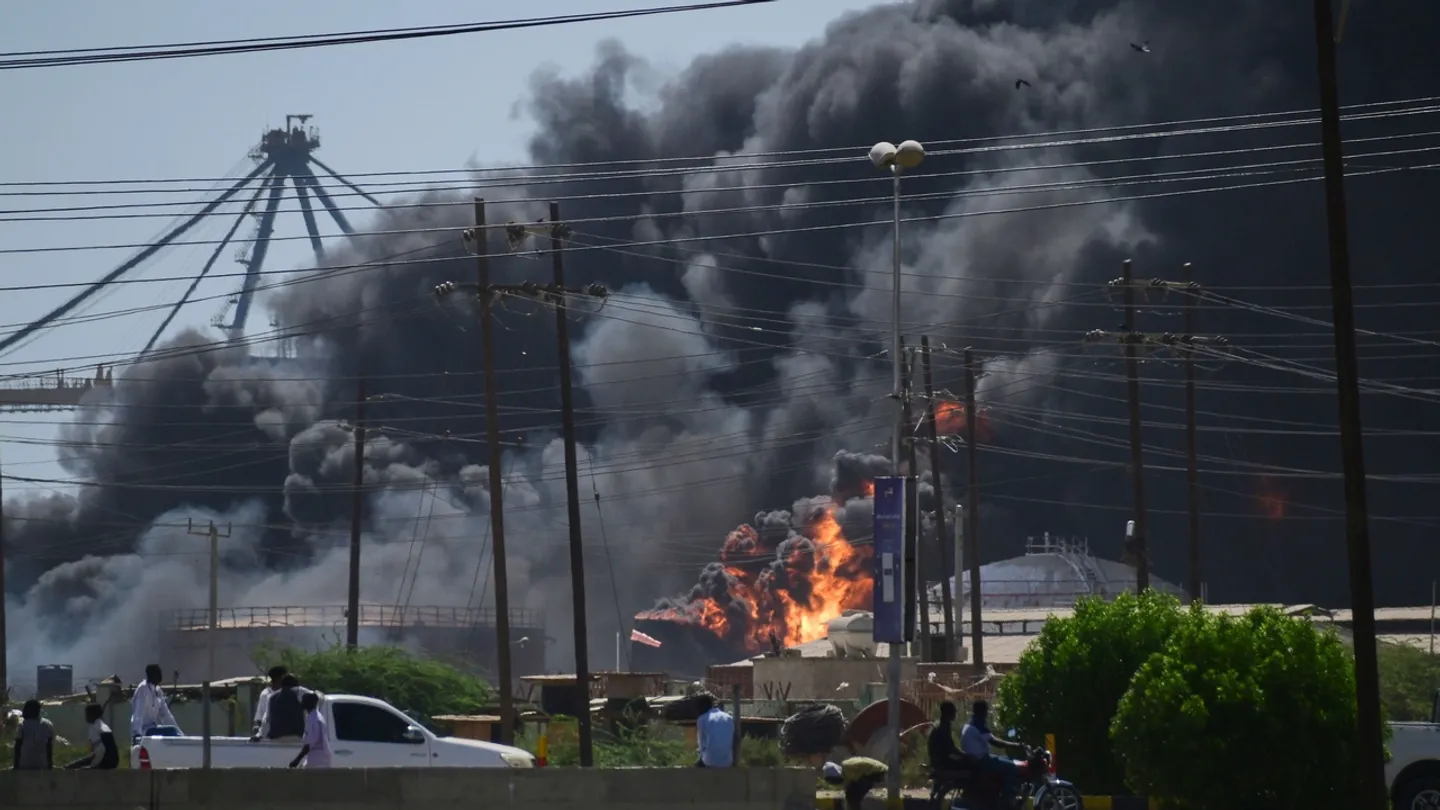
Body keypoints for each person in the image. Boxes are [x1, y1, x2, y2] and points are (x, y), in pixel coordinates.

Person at [959, 700, 1024, 808]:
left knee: (1005, 758)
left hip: (975, 758)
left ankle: (997, 793)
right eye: (985, 710)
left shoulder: (971, 722)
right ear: (981, 711)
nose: (986, 713)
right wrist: (1016, 745)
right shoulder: (978, 724)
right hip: (981, 760)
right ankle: (1006, 801)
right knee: (1012, 767)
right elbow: (996, 743)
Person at [130, 664, 181, 740]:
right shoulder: (143, 689)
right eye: (157, 673)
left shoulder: (158, 691)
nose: (160, 676)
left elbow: (166, 715)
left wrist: (179, 732)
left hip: (153, 727)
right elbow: (138, 713)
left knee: (172, 730)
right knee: (170, 732)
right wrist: (136, 733)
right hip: (144, 730)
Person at [821, 756, 888, 810]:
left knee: (853, 796)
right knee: (851, 795)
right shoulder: (845, 772)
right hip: (870, 773)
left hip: (876, 772)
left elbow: (864, 764)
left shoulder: (847, 766)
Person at [67, 704, 119, 770]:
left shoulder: (94, 728)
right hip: (113, 762)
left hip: (104, 762)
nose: (86, 717)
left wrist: (94, 765)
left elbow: (101, 750)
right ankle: (67, 767)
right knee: (79, 763)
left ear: (92, 714)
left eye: (87, 714)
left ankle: (66, 768)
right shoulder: (104, 726)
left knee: (77, 768)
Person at [257, 674, 306, 741]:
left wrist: (260, 735)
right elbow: (318, 699)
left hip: (277, 737)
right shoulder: (300, 692)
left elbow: (266, 720)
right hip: (297, 736)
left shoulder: (272, 697)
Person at [289, 692, 330, 769]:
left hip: (318, 759)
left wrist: (297, 760)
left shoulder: (313, 718)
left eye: (304, 701)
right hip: (317, 757)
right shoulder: (314, 716)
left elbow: (310, 743)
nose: (302, 703)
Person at [693, 693, 735, 767]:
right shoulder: (729, 718)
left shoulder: (702, 719)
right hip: (728, 761)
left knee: (698, 764)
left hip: (710, 761)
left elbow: (701, 743)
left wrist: (700, 753)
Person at [13, 700, 55, 770]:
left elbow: (18, 747)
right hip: (42, 764)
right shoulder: (47, 724)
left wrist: (16, 766)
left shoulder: (22, 725)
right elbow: (49, 747)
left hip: (25, 764)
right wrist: (50, 765)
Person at [928, 701, 967, 773]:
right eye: (954, 711)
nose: (955, 714)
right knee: (971, 765)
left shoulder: (943, 724)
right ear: (948, 713)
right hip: (941, 762)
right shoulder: (943, 727)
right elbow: (951, 749)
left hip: (939, 760)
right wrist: (966, 756)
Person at [251, 665, 288, 738]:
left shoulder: (287, 693)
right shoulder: (266, 695)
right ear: (278, 679)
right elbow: (260, 719)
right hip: (270, 736)